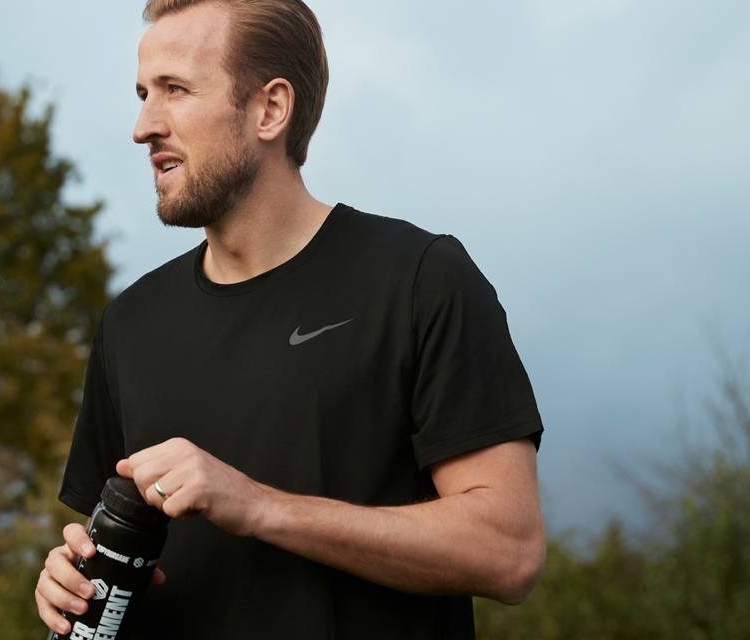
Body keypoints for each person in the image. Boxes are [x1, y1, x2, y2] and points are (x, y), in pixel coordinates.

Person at [34, 0, 546, 637]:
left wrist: (258, 507)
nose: (144, 127)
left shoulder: (419, 279)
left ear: (271, 109)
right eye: (143, 94)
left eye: (176, 90)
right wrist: (70, 577)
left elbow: (508, 552)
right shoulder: (130, 323)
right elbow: (111, 549)